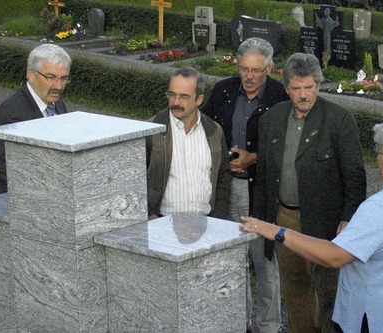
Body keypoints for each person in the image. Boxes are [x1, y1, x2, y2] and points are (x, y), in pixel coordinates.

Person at [242, 116, 383, 333]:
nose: (377, 156)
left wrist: (277, 231)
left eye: (379, 151)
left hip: (380, 319)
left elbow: (334, 256)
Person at [252, 52, 366, 333]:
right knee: (294, 291)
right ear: (286, 88)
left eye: (309, 87)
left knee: (328, 293)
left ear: (318, 84)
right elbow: (265, 175)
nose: (303, 95)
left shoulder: (339, 120)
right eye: (296, 88)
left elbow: (355, 175)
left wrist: (348, 217)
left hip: (325, 224)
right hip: (284, 218)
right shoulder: (272, 120)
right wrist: (262, 220)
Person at [203, 37, 289, 333]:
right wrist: (223, 158)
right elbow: (208, 133)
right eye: (244, 69)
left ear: (270, 68)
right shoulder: (223, 91)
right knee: (230, 260)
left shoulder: (281, 96)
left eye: (256, 70)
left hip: (262, 190)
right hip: (227, 187)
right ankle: (238, 323)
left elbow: (288, 147)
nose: (249, 77)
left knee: (264, 260)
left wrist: (255, 157)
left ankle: (268, 326)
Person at [146, 67, 231, 220]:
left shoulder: (214, 131)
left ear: (199, 99)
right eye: (172, 95)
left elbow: (223, 175)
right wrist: (149, 214)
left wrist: (218, 217)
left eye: (184, 97)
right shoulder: (152, 131)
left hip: (207, 223)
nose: (176, 102)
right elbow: (135, 177)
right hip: (163, 224)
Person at [0, 44, 71, 195]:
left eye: (64, 78)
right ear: (31, 75)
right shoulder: (12, 111)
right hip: (18, 202)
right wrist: (47, 184)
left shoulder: (58, 105)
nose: (58, 86)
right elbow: (0, 165)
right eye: (51, 77)